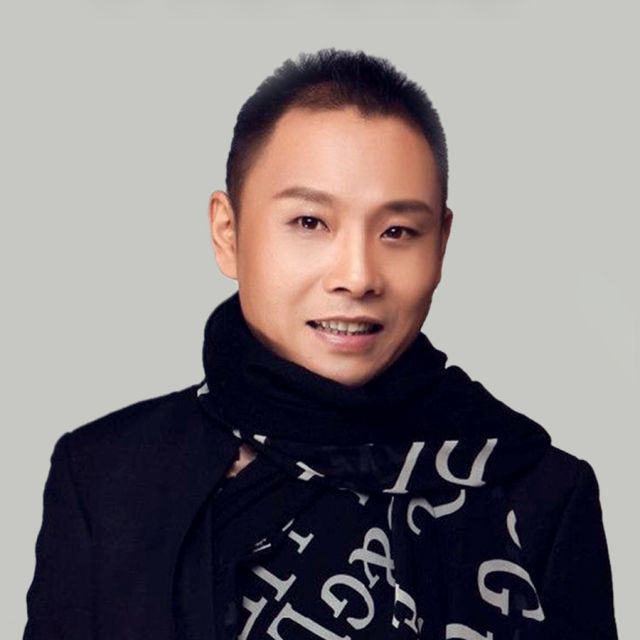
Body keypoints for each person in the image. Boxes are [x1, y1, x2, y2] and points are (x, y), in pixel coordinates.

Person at [23, 48, 617, 639]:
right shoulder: (105, 475)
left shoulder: (540, 493)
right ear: (228, 233)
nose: (357, 277)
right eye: (310, 223)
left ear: (440, 244)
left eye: (397, 231)